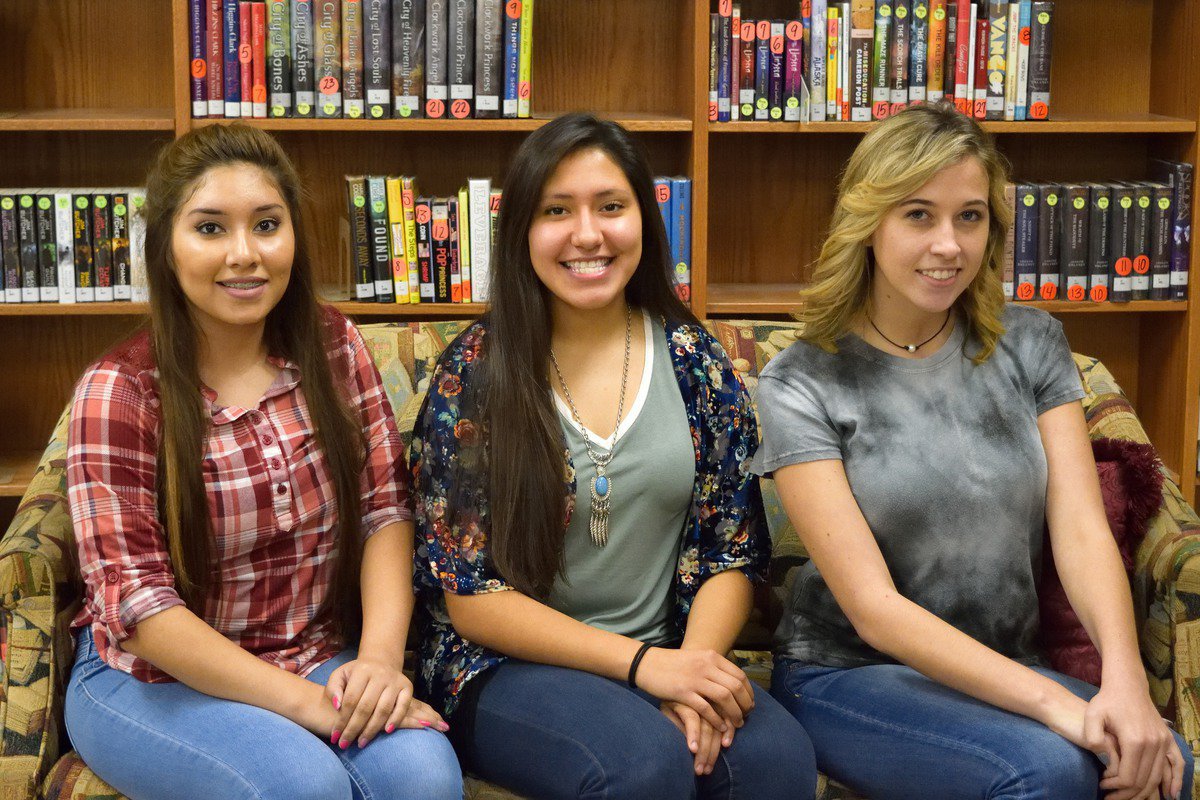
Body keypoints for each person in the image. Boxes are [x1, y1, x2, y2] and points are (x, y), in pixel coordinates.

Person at [754, 102, 1194, 800]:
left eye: (970, 216)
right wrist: (1059, 707)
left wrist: (1125, 684)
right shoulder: (801, 379)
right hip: (849, 672)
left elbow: (1079, 529)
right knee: (1047, 770)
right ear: (869, 223)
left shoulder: (1032, 343)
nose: (949, 244)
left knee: (1163, 760)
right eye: (919, 215)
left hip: (1003, 663)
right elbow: (875, 610)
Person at [409, 112, 816, 799]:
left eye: (610, 207)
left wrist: (691, 669)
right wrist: (642, 670)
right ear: (522, 234)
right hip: (503, 667)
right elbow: (472, 598)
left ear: (644, 223)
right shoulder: (473, 375)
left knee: (774, 763)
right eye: (557, 210)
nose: (588, 234)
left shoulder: (695, 363)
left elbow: (731, 550)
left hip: (669, 648)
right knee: (641, 765)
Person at [63, 123, 461, 800]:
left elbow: (385, 510)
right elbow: (142, 608)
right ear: (165, 245)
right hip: (150, 678)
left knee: (424, 777)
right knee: (303, 787)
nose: (244, 254)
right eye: (211, 228)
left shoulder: (333, 344)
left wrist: (379, 664)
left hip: (311, 652)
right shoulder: (121, 391)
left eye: (267, 225)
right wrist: (313, 708)